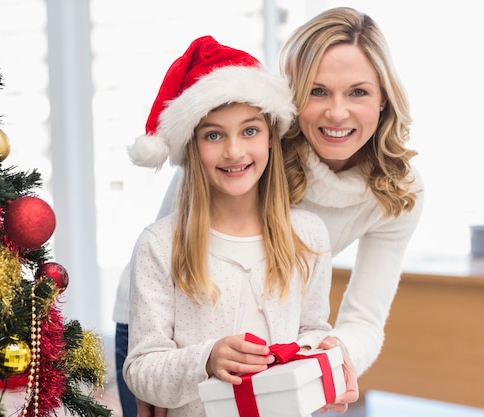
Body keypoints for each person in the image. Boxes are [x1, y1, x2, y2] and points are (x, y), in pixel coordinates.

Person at [114, 6, 425, 416]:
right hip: (166, 329)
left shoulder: (398, 191)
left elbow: (360, 317)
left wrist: (330, 362)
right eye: (317, 90)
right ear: (294, 95)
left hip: (267, 354)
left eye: (358, 91)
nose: (336, 112)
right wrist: (165, 379)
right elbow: (173, 249)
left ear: (384, 98)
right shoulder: (241, 152)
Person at [121, 35, 334, 417]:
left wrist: (325, 351)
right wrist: (207, 359)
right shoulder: (160, 244)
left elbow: (314, 330)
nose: (234, 151)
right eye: (214, 135)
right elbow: (141, 369)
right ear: (192, 146)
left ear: (271, 137)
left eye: (249, 131)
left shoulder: (308, 236)